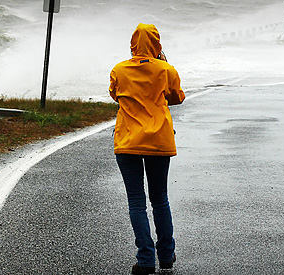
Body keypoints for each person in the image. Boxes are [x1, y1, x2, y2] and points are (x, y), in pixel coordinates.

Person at [109, 23, 185, 275]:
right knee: (160, 199)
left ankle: (145, 260)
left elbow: (114, 94)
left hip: (128, 141)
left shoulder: (119, 70)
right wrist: (162, 62)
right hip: (158, 141)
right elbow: (177, 98)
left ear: (133, 43)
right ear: (157, 43)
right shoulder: (166, 69)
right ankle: (166, 255)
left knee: (136, 202)